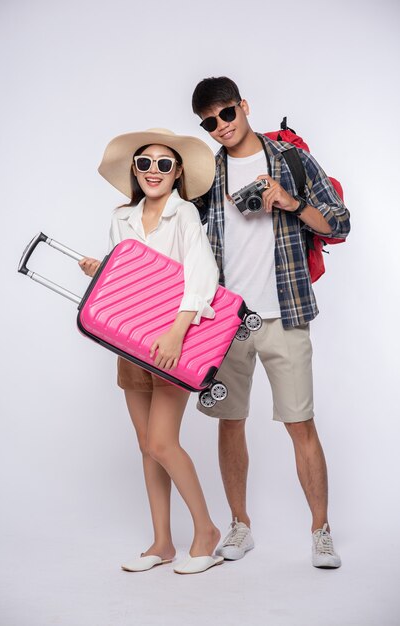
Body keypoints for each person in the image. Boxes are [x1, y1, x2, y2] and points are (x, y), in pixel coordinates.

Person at [191, 77, 350, 568]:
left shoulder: (290, 159)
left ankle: (321, 531)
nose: (220, 126)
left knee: (301, 424)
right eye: (209, 121)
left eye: (227, 114)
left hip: (286, 312)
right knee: (228, 422)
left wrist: (291, 202)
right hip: (224, 320)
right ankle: (240, 526)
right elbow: (175, 231)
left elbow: (340, 223)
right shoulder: (203, 173)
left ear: (244, 106)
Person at [79, 128, 224, 575]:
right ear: (135, 171)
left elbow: (204, 276)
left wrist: (178, 331)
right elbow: (126, 281)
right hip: (130, 341)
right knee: (147, 445)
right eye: (145, 163)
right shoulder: (121, 218)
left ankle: (207, 532)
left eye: (165, 163)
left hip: (170, 343)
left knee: (163, 441)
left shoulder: (184, 217)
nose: (154, 170)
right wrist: (98, 271)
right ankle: (162, 542)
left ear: (177, 172)